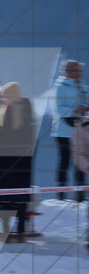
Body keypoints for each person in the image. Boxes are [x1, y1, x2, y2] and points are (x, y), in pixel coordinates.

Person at [0, 82, 36, 242]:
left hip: (7, 161)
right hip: (23, 162)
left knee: (5, 198)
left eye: (3, 96)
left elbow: (3, 135)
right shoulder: (27, 109)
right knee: (20, 198)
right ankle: (21, 232)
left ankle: (6, 233)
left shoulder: (8, 111)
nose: (1, 99)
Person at [49, 59, 88, 202]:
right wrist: (75, 110)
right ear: (68, 72)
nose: (79, 73)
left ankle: (80, 196)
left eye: (80, 70)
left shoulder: (83, 87)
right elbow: (59, 109)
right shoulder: (59, 87)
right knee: (64, 162)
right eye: (76, 70)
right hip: (63, 131)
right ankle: (61, 195)